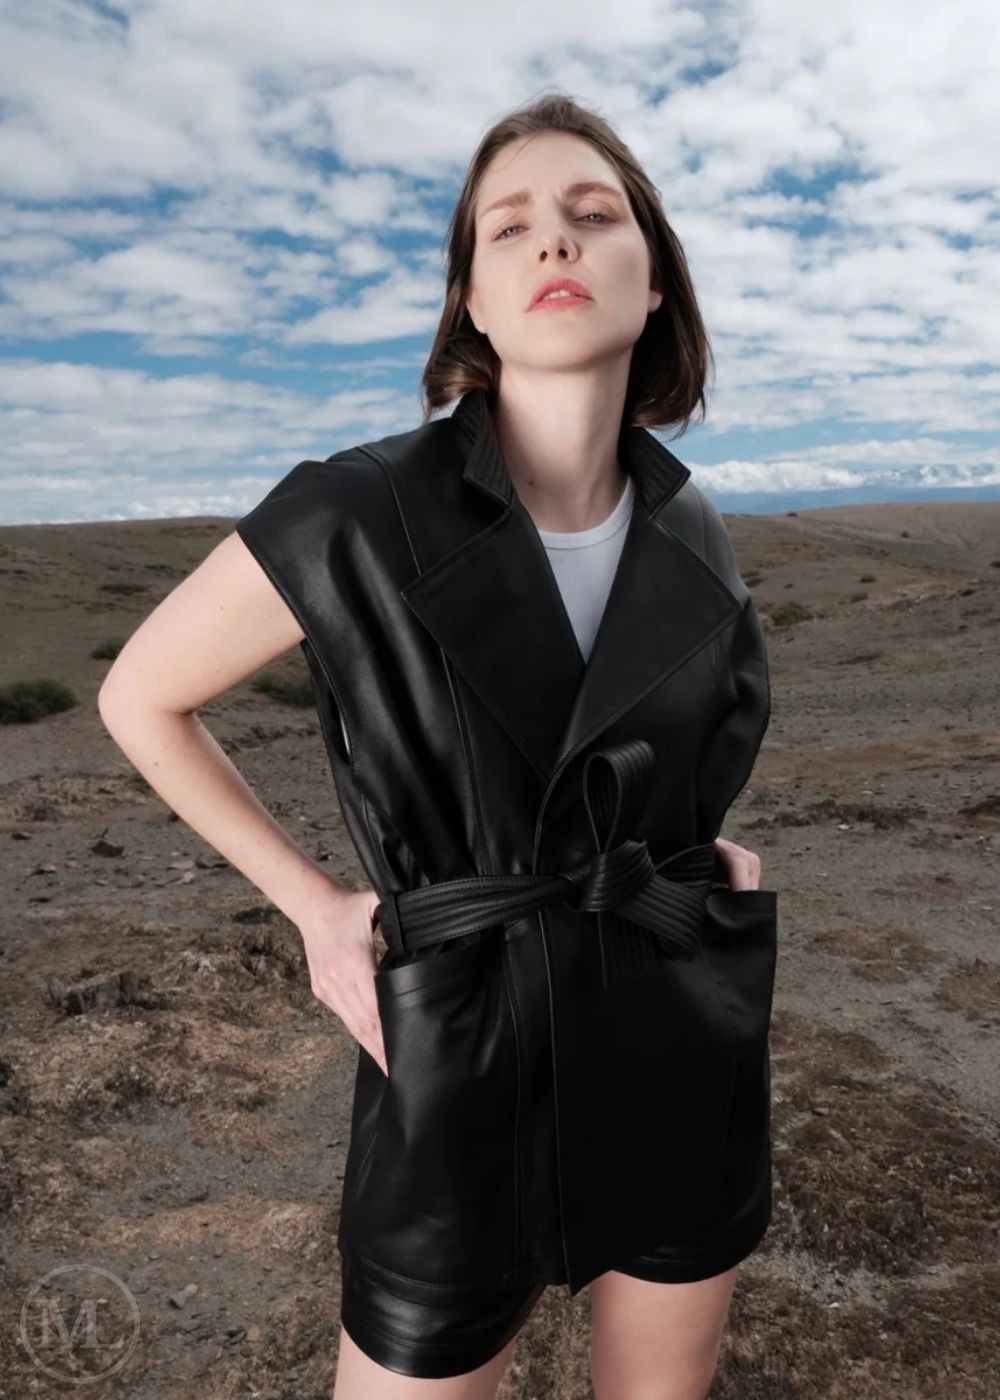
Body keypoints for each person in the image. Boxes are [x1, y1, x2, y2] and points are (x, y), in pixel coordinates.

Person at [98, 91, 777, 1400]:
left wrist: (706, 856)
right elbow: (140, 697)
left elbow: (671, 755)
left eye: (594, 216)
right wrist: (310, 903)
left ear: (654, 280)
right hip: (456, 1045)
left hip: (674, 1029)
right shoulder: (359, 508)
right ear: (470, 296)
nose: (555, 245)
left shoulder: (697, 537)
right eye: (509, 226)